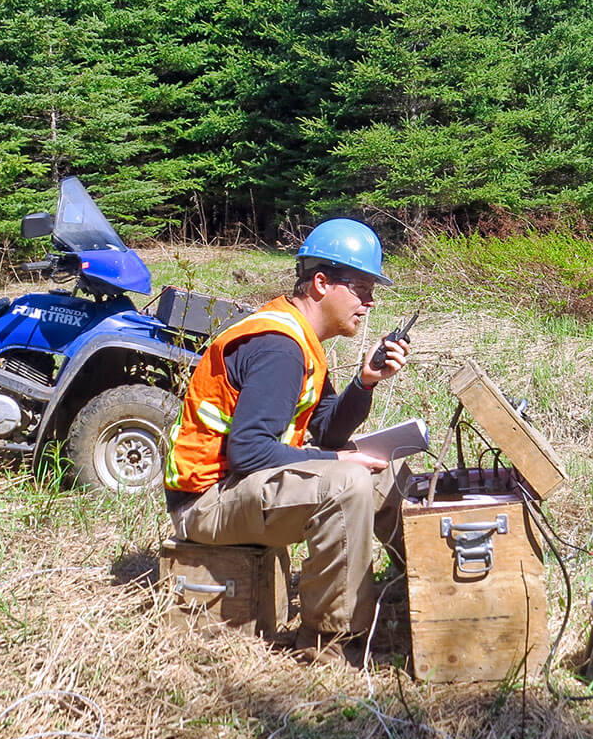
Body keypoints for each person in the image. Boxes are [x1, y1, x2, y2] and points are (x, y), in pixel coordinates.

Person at [162, 218, 411, 657]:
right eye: (362, 288)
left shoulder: (301, 337)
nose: (370, 303)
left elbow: (328, 429)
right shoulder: (280, 346)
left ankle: (421, 591)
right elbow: (249, 451)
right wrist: (340, 464)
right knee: (348, 482)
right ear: (321, 283)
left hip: (238, 488)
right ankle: (330, 640)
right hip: (205, 501)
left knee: (383, 472)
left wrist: (365, 382)